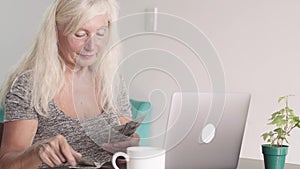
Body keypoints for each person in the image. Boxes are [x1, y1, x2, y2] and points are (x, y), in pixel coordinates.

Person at [0, 0, 139, 168]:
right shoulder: (29, 86)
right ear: (56, 32)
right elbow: (6, 164)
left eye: (101, 33)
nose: (92, 46)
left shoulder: (110, 81)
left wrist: (129, 146)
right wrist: (37, 152)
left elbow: (129, 143)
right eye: (80, 34)